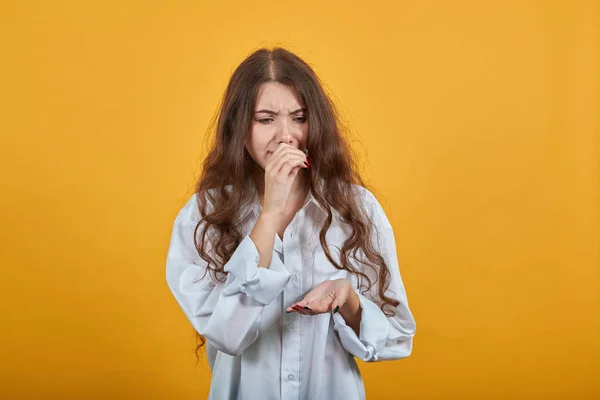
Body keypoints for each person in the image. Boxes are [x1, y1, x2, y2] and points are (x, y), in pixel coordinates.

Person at [165, 47, 417, 400]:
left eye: (299, 117)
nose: (286, 135)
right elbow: (226, 333)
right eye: (265, 119)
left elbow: (396, 336)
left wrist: (348, 299)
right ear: (239, 126)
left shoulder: (357, 208)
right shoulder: (203, 214)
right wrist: (269, 214)